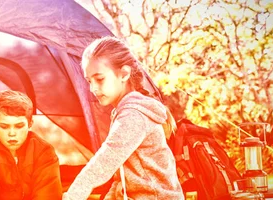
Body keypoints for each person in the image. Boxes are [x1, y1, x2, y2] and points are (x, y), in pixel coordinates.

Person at [62, 36, 184, 199]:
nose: (92, 88)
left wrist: (73, 195)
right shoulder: (124, 111)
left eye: (99, 79)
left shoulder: (133, 115)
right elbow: (122, 177)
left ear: (124, 74)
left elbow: (105, 161)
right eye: (89, 81)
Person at [0, 90, 63, 200]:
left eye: (19, 126)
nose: (12, 133)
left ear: (30, 124)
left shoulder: (44, 152)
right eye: (4, 127)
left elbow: (48, 196)